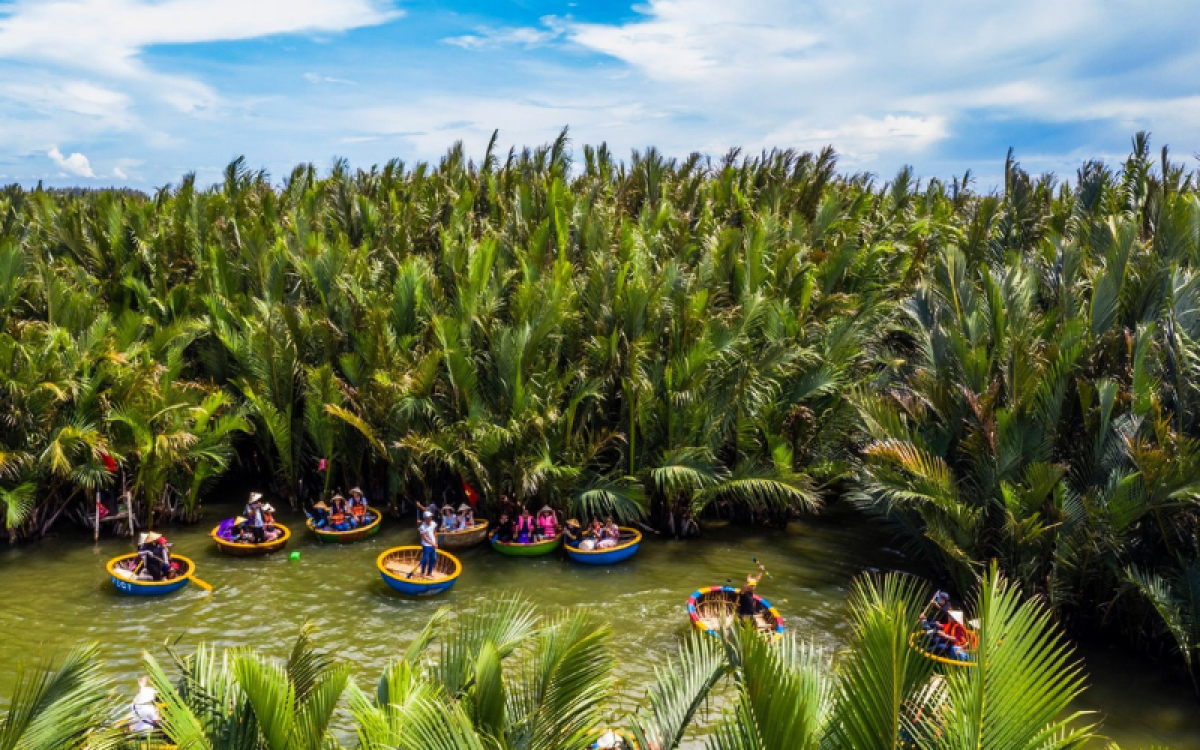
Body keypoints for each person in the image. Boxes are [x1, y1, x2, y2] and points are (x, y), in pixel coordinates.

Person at [410, 511, 439, 579]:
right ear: (425, 518)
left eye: (431, 517)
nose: (430, 518)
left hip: (433, 544)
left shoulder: (433, 523)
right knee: (425, 559)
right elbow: (424, 537)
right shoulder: (422, 527)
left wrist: (436, 542)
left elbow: (435, 532)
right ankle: (422, 572)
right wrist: (433, 543)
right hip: (426, 545)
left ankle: (429, 572)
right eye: (429, 517)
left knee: (433, 558)